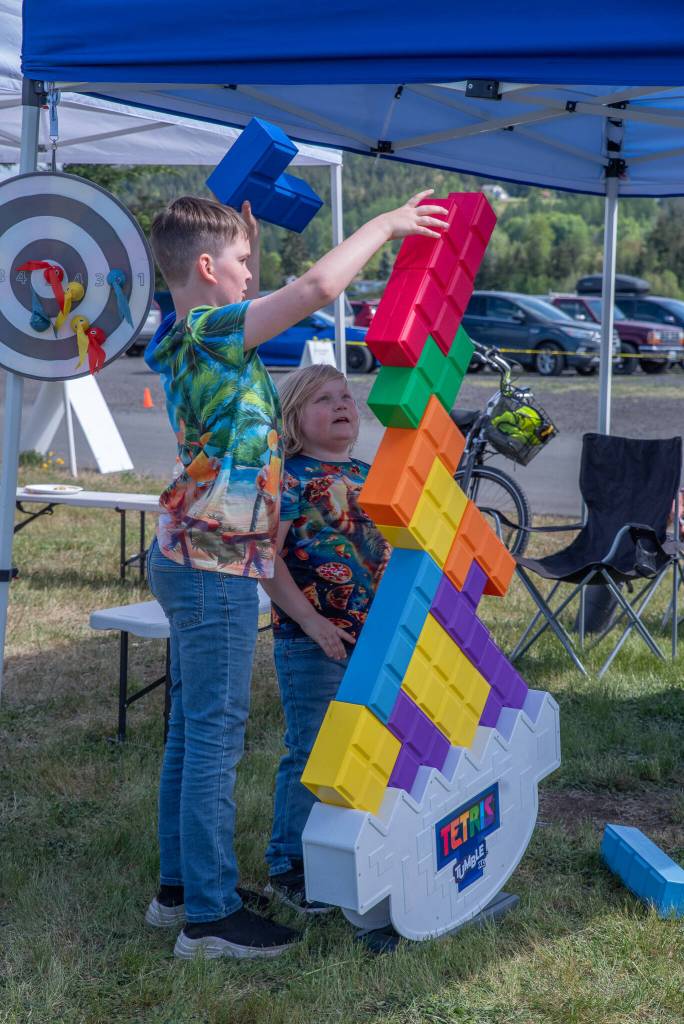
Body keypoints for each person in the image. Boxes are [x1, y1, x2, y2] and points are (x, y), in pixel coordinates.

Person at [142, 191, 448, 959]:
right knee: (215, 737)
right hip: (211, 559)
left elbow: (259, 290)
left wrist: (243, 237)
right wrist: (387, 226)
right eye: (243, 263)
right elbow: (314, 291)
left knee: (189, 733)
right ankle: (208, 920)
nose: (254, 275)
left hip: (188, 549)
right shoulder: (211, 328)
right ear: (207, 270)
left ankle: (177, 888)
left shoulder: (187, 337)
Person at [260, 364, 391, 912]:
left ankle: (348, 847)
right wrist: (313, 623)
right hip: (312, 642)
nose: (341, 405)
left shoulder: (373, 474)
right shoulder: (286, 477)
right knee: (312, 748)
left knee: (364, 748)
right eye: (323, 399)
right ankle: (289, 863)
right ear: (295, 417)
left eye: (346, 396)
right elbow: (262, 558)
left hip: (378, 640)